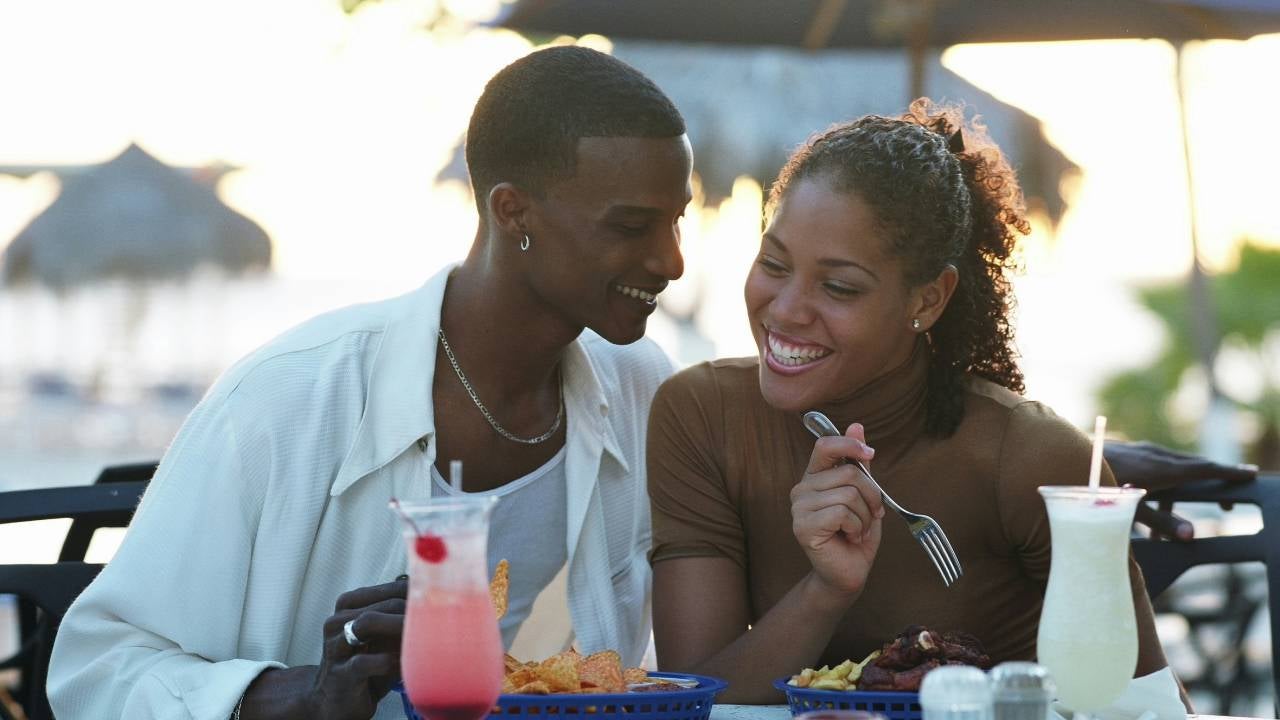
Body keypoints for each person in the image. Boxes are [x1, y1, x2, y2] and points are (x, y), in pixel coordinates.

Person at [48, 45, 692, 720]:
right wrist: (294, 694)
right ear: (512, 212)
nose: (672, 260)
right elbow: (98, 669)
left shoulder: (643, 390)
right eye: (631, 226)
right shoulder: (288, 401)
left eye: (678, 218)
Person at [645, 100, 1178, 704]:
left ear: (927, 300)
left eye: (839, 286)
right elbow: (688, 702)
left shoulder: (1027, 459)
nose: (786, 309)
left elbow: (1150, 707)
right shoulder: (704, 417)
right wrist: (825, 589)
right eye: (774, 263)